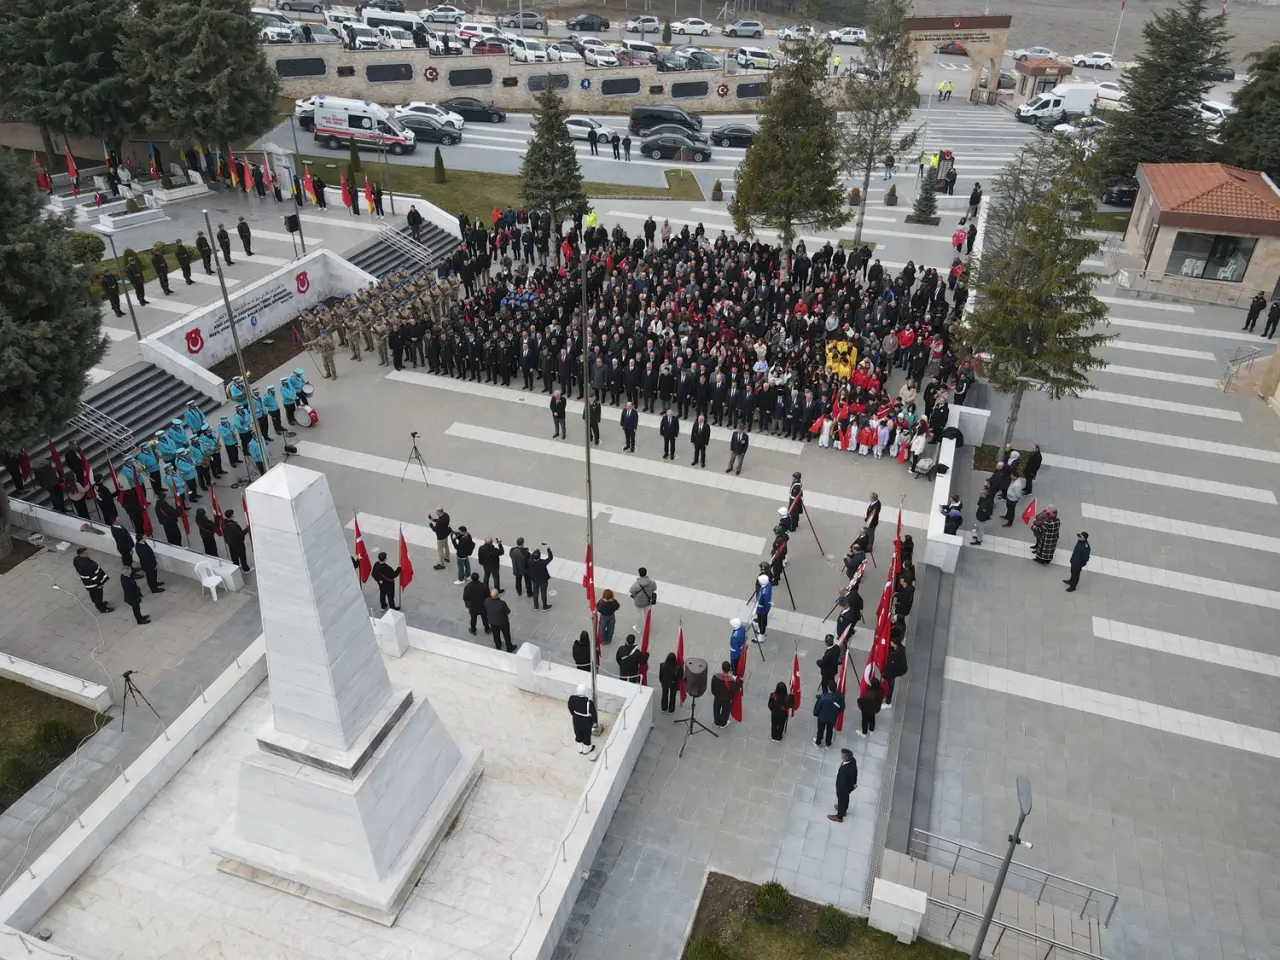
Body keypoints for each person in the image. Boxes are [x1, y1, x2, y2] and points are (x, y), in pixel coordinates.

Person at [72, 548, 113, 613]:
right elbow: (93, 576)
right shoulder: (85, 564)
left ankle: (100, 604)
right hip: (93, 584)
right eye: (86, 553)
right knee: (97, 595)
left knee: (95, 595)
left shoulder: (78, 559)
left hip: (89, 583)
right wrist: (99, 584)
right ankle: (102, 608)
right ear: (82, 554)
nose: (88, 554)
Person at [828, 748, 858, 823]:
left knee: (841, 800)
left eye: (842, 756)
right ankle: (843, 810)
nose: (840, 756)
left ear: (846, 758)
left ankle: (839, 816)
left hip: (843, 787)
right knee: (845, 799)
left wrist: (838, 787)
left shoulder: (846, 770)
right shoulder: (853, 760)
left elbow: (843, 780)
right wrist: (854, 783)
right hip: (848, 786)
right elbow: (855, 772)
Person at [569, 684, 598, 758]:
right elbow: (593, 713)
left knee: (578, 733)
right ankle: (586, 750)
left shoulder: (572, 699)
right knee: (586, 735)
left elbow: (570, 708)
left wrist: (574, 715)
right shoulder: (589, 703)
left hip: (576, 720)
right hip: (586, 722)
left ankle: (580, 749)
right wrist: (595, 721)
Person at [710, 661, 738, 728]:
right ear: (729, 669)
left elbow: (712, 686)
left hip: (717, 696)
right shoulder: (731, 681)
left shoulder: (715, 677)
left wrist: (715, 693)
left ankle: (716, 722)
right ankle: (723, 723)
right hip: (726, 699)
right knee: (725, 711)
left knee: (716, 709)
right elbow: (735, 690)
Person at [883, 637, 907, 707]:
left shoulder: (895, 656)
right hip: (898, 669)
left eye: (892, 642)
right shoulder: (900, 649)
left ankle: (888, 702)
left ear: (896, 645)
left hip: (895, 672)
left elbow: (890, 668)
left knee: (891, 685)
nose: (890, 642)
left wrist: (885, 675)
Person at [527, 543, 553, 609]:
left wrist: (538, 548)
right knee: (543, 593)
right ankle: (544, 606)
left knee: (535, 593)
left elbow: (532, 555)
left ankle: (536, 606)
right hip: (543, 580)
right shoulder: (542, 563)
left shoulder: (530, 561)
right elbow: (550, 557)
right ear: (540, 556)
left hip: (534, 580)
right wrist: (548, 548)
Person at [971, 480, 994, 545]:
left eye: (981, 494)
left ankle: (979, 540)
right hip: (981, 517)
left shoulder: (985, 503)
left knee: (980, 529)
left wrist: (982, 516)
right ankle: (978, 537)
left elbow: (985, 511)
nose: (980, 495)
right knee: (978, 527)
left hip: (982, 518)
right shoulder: (986, 499)